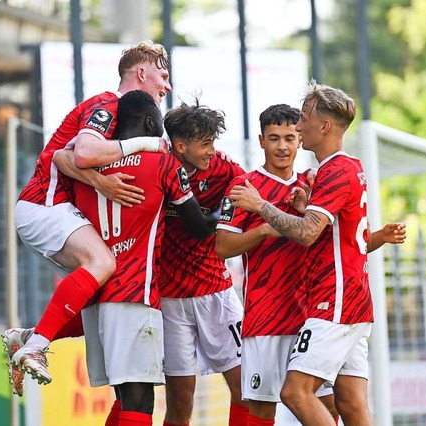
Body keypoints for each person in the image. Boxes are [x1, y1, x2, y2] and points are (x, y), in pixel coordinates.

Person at [217, 104, 406, 425]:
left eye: (290, 137)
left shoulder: (315, 182)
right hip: (267, 316)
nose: (282, 146)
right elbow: (221, 247)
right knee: (262, 408)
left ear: (300, 138)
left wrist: (380, 236)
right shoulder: (245, 188)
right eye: (274, 138)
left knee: (331, 403)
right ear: (261, 141)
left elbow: (351, 242)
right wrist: (263, 229)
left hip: (315, 315)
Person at [2, 40, 172, 396]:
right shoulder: (106, 103)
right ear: (141, 73)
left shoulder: (116, 114)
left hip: (54, 210)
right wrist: (145, 145)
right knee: (101, 262)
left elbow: (65, 156)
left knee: (99, 288)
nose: (167, 86)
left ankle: (27, 338)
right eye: (163, 74)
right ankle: (37, 347)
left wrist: (98, 180)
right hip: (46, 205)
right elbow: (82, 153)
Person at [74, 90, 220, 426]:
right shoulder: (162, 162)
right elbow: (199, 227)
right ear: (152, 123)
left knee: (124, 397)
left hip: (96, 299)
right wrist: (228, 214)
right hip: (133, 296)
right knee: (140, 401)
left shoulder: (91, 168)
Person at [158, 100, 249, 426]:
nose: (213, 150)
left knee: (245, 391)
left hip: (216, 294)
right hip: (169, 301)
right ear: (181, 146)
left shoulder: (226, 170)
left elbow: (246, 198)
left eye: (214, 142)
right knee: (180, 404)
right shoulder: (159, 168)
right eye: (205, 143)